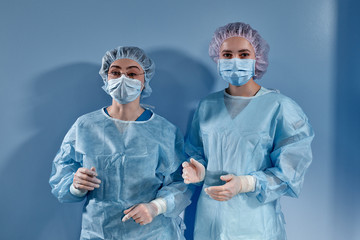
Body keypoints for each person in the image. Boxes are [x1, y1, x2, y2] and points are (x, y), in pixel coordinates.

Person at [182, 22, 314, 240]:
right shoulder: (207, 106)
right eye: (227, 54)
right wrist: (200, 173)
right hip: (210, 221)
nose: (235, 61)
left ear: (257, 59)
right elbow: (197, 154)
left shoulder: (280, 107)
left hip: (255, 224)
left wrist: (245, 183)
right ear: (218, 58)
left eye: (244, 54)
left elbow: (290, 171)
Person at [49, 46, 191, 239]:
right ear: (106, 78)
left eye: (132, 74)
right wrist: (76, 185)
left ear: (144, 81)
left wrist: (155, 207)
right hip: (99, 231)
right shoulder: (85, 126)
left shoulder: (165, 131)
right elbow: (62, 174)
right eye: (115, 73)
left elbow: (180, 182)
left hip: (153, 233)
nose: (123, 79)